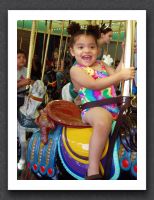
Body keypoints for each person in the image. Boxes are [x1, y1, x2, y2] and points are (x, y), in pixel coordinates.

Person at [67, 22, 135, 180]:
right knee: (103, 122)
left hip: (113, 107)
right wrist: (119, 76)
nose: (87, 51)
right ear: (72, 51)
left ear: (97, 50)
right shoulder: (76, 70)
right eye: (81, 47)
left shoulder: (102, 65)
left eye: (91, 47)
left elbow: (116, 78)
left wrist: (126, 51)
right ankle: (92, 169)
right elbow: (94, 84)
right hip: (92, 109)